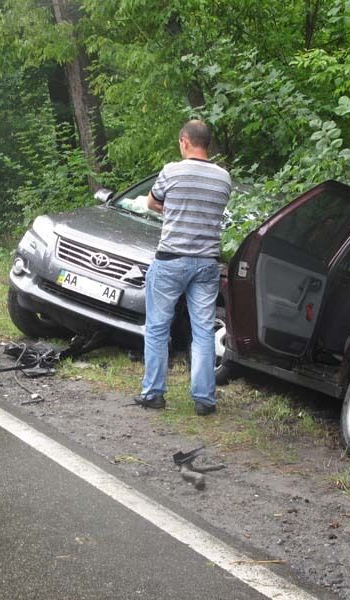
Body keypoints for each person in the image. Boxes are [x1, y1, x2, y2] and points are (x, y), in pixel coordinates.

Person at [136, 120, 231, 416]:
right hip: (206, 263)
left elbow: (153, 203)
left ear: (184, 142)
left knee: (157, 328)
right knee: (202, 330)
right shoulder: (224, 178)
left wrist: (173, 209)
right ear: (208, 144)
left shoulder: (171, 171)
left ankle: (154, 393)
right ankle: (204, 399)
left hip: (171, 260)